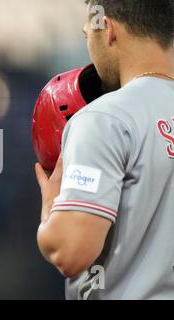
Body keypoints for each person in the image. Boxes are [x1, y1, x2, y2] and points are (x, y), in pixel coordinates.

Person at [35, 0, 174, 299]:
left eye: (87, 34)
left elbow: (70, 251)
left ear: (107, 29)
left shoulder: (104, 118)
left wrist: (51, 208)